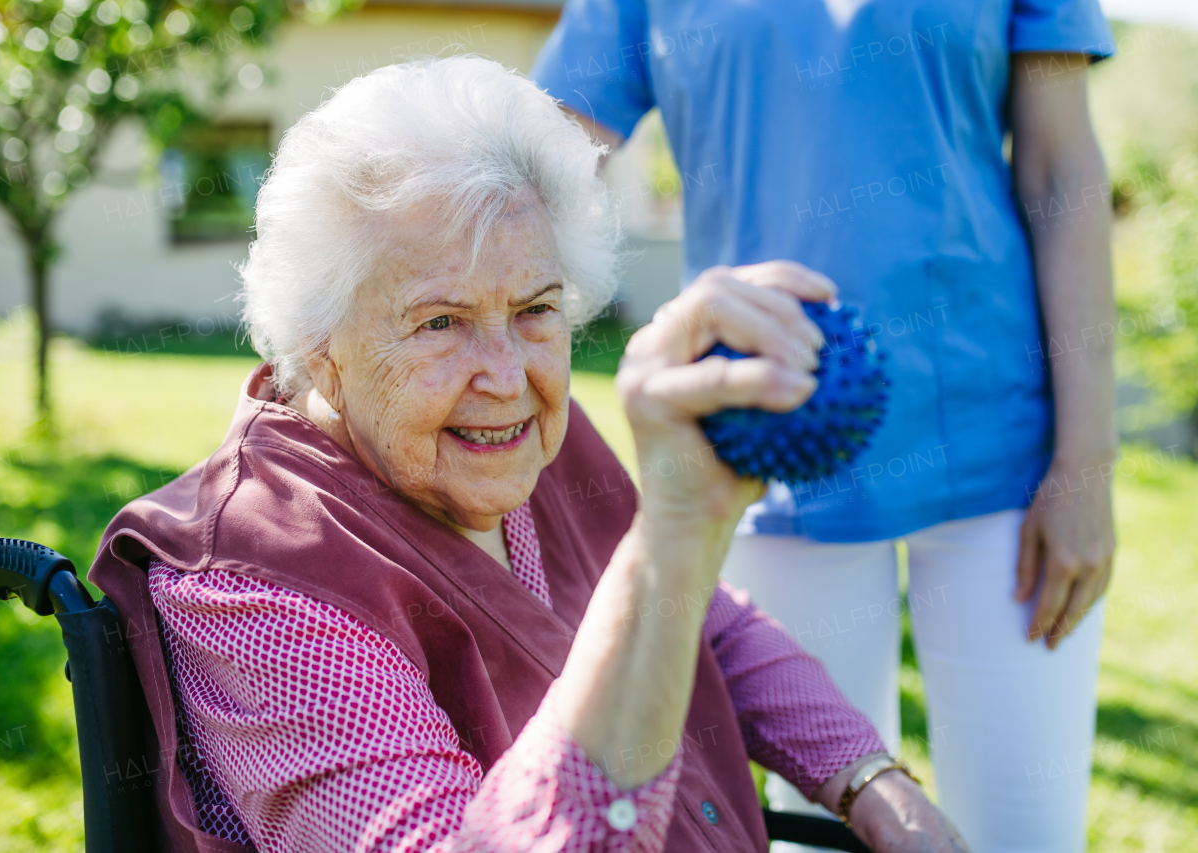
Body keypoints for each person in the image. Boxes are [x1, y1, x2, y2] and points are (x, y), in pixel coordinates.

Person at [91, 57, 972, 853]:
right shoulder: (252, 581)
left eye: (536, 310)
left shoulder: (525, 440)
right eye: (441, 323)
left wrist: (870, 783)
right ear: (318, 343)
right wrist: (676, 531)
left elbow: (708, 624)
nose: (508, 378)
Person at [531, 3, 1117, 852]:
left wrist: (1088, 462)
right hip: (765, 451)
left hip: (1004, 454)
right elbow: (541, 156)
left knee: (1027, 834)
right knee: (825, 828)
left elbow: (1063, 174)